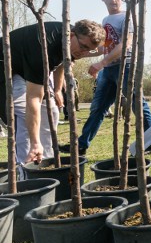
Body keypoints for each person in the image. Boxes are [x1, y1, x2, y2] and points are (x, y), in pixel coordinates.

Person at [61, 0, 151, 155]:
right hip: (109, 70)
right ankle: (81, 145)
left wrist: (101, 63)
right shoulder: (105, 21)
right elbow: (104, 48)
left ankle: (150, 142)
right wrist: (80, 54)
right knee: (98, 108)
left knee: (137, 103)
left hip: (126, 66)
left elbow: (125, 43)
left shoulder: (127, 17)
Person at [0, 20, 105, 164]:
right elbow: (33, 98)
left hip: (24, 67)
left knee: (52, 113)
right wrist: (36, 142)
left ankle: (46, 164)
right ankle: (25, 170)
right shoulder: (43, 48)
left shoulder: (71, 42)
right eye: (83, 47)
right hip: (5, 68)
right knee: (23, 115)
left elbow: (63, 62)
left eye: (89, 50)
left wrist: (57, 90)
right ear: (71, 35)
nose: (84, 53)